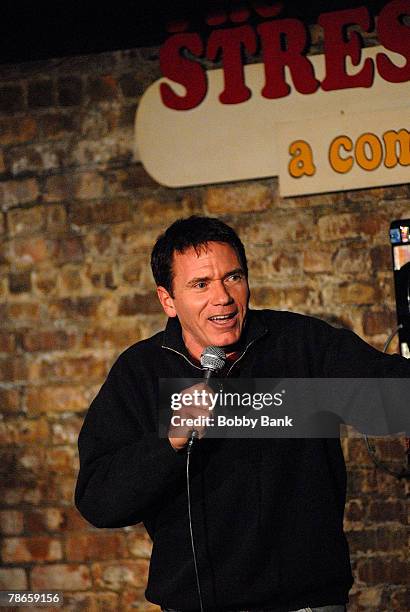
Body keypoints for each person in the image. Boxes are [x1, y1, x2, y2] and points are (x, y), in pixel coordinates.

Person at [75, 216, 410, 612]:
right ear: (167, 299)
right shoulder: (142, 371)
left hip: (305, 603)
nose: (223, 297)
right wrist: (169, 442)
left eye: (233, 277)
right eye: (201, 284)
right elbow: (99, 499)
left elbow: (390, 397)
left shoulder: (301, 344)